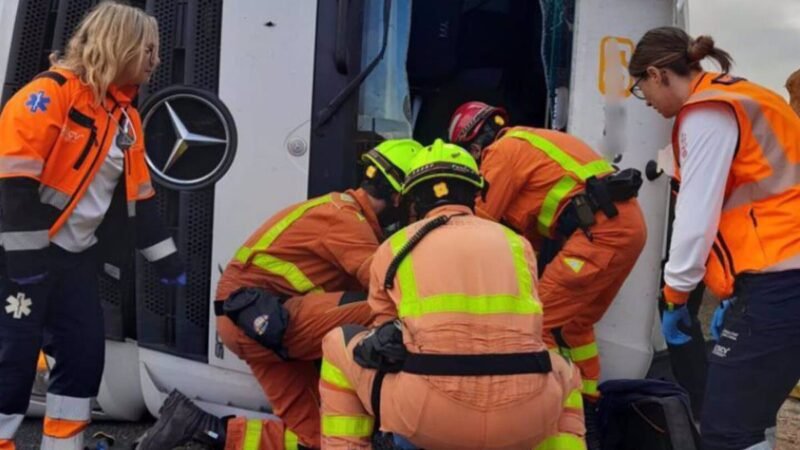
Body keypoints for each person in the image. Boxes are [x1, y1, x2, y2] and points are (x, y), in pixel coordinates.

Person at [136, 139, 422, 450]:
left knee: (322, 438)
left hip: (260, 324)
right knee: (383, 308)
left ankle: (201, 427)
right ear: (397, 196)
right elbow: (390, 285)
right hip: (267, 319)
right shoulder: (346, 222)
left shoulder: (339, 211)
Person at [318, 140, 585, 450]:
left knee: (338, 343)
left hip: (429, 418)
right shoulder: (518, 245)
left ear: (413, 200)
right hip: (525, 419)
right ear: (476, 193)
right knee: (568, 374)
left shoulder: (396, 246)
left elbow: (384, 336)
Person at [0, 3, 184, 449]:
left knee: (83, 356)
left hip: (72, 261)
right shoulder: (48, 95)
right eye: (148, 49)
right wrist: (26, 260)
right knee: (12, 360)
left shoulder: (126, 118)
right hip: (17, 260)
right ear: (117, 46)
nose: (155, 59)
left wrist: (168, 260)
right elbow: (10, 183)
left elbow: (140, 199)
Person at [629, 27, 800, 450]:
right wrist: (733, 292)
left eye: (641, 89)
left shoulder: (706, 113)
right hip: (778, 277)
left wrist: (676, 293)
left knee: (726, 428)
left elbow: (696, 216)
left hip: (782, 281)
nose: (646, 102)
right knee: (749, 418)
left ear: (657, 73)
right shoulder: (743, 97)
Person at [447, 102, 647, 407]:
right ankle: (589, 404)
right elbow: (528, 240)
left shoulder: (501, 153)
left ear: (473, 146)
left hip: (601, 234)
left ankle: (561, 413)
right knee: (573, 325)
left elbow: (480, 224)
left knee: (538, 324)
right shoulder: (530, 143)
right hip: (625, 227)